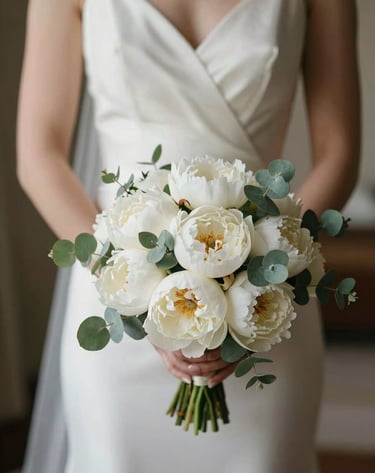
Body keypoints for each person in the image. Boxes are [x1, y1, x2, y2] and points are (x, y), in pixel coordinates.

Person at [17, 0, 360, 472]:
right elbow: (38, 154)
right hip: (117, 301)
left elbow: (339, 152)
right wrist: (133, 287)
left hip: (263, 307)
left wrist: (262, 274)